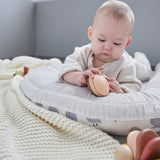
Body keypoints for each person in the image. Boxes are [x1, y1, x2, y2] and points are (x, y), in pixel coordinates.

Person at [59, 0, 151, 93]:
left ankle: (141, 57)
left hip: (136, 67)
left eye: (116, 43)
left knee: (146, 71)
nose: (107, 47)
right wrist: (77, 76)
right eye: (101, 40)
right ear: (91, 34)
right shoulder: (83, 53)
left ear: (126, 43)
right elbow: (67, 68)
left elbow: (133, 85)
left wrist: (120, 90)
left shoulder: (126, 65)